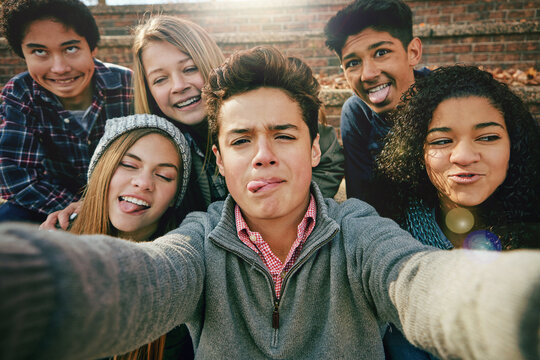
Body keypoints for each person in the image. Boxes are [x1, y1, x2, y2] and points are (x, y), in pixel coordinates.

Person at [1, 46, 540, 360]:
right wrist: (29, 284)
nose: (262, 156)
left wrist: (516, 304)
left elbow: (420, 280)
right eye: (241, 141)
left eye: (283, 135)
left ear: (312, 148)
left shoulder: (358, 230)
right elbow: (143, 280)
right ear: (218, 159)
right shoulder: (197, 239)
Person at [43, 15, 344, 230]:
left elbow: (328, 157)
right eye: (160, 79)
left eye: (189, 69)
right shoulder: (163, 145)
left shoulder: (261, 110)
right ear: (148, 90)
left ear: (208, 62)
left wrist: (273, 204)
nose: (178, 85)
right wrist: (96, 204)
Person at [377, 65, 540, 251]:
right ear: (418, 154)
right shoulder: (390, 240)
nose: (464, 157)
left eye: (487, 137)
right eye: (442, 141)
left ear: (514, 144)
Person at [70, 114, 192, 360]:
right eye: (129, 164)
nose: (143, 183)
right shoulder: (46, 252)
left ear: (174, 198)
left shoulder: (177, 281)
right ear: (102, 169)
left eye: (165, 176)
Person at [0, 0, 133, 223]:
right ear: (24, 55)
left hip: (124, 203)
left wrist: (101, 208)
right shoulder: (20, 93)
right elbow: (14, 176)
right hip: (50, 204)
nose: (60, 68)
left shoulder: (127, 84)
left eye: (70, 48)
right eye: (40, 51)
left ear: (92, 48)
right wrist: (78, 210)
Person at [324, 0, 429, 209]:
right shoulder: (357, 113)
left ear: (413, 52)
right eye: (353, 63)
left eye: (381, 53)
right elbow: (363, 205)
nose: (368, 74)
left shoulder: (451, 98)